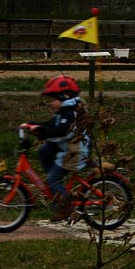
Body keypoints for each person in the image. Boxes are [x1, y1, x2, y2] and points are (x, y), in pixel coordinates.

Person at [22, 75, 91, 221]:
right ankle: (55, 186)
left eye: (53, 100)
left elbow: (63, 132)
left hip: (76, 152)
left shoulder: (71, 114)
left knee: (52, 178)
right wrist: (35, 125)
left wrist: (42, 131)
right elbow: (51, 125)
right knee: (44, 150)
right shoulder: (62, 113)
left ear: (65, 97)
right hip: (66, 149)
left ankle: (66, 207)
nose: (51, 104)